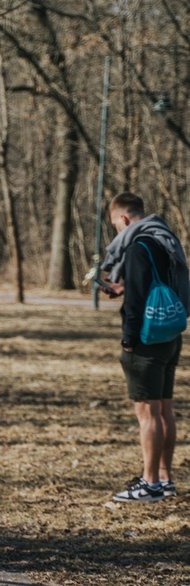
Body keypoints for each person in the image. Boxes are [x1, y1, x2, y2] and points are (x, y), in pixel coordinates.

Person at [101, 192, 188, 502]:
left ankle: (149, 483)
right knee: (165, 409)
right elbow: (158, 282)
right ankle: (165, 479)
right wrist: (124, 287)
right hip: (170, 335)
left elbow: (137, 300)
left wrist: (129, 339)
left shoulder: (137, 247)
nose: (116, 230)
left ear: (124, 219)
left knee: (147, 414)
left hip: (146, 340)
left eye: (114, 224)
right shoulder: (163, 239)